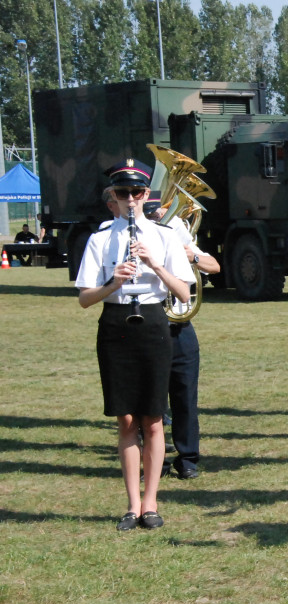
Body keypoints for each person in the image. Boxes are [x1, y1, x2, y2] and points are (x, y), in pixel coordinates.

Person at [75, 159, 194, 530]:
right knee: (126, 418)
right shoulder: (100, 238)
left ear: (145, 195)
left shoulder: (164, 236)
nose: (130, 199)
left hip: (154, 323)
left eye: (136, 192)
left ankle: (151, 502)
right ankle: (131, 505)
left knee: (154, 419)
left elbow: (184, 293)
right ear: (114, 195)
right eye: (122, 193)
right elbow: (84, 299)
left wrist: (155, 265)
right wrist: (113, 282)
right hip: (115, 324)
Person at [143, 196, 222, 480]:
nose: (158, 217)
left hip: (179, 325)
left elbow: (214, 266)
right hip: (149, 323)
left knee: (185, 395)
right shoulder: (136, 237)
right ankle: (156, 460)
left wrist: (194, 256)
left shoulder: (176, 230)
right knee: (151, 399)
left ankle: (187, 458)